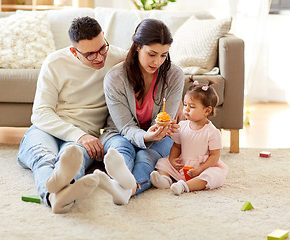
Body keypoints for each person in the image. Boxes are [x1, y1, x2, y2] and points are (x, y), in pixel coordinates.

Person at [17, 16, 126, 214]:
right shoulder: (55, 62)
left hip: (85, 135)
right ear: (74, 52)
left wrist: (178, 102)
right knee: (43, 158)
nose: (100, 58)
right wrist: (79, 136)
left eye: (102, 48)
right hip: (49, 129)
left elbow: (152, 63)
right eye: (90, 54)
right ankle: (55, 196)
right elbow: (41, 113)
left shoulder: (116, 56)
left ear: (104, 38)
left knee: (74, 159)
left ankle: (56, 197)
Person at [94, 18, 185, 205]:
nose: (158, 61)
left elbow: (165, 120)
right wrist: (145, 137)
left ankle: (127, 189)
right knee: (121, 151)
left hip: (160, 136)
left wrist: (155, 134)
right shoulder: (115, 78)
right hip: (119, 133)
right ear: (137, 47)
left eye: (163, 55)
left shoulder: (175, 76)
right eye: (152, 54)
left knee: (146, 156)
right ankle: (122, 183)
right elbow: (125, 126)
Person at [150, 78, 228, 195]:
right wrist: (172, 159)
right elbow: (176, 146)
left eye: (191, 106)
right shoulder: (181, 126)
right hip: (182, 166)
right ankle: (165, 181)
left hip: (202, 168)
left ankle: (185, 186)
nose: (185, 109)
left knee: (214, 175)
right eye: (185, 104)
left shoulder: (212, 132)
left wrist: (201, 169)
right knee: (162, 163)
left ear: (207, 110)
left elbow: (214, 156)